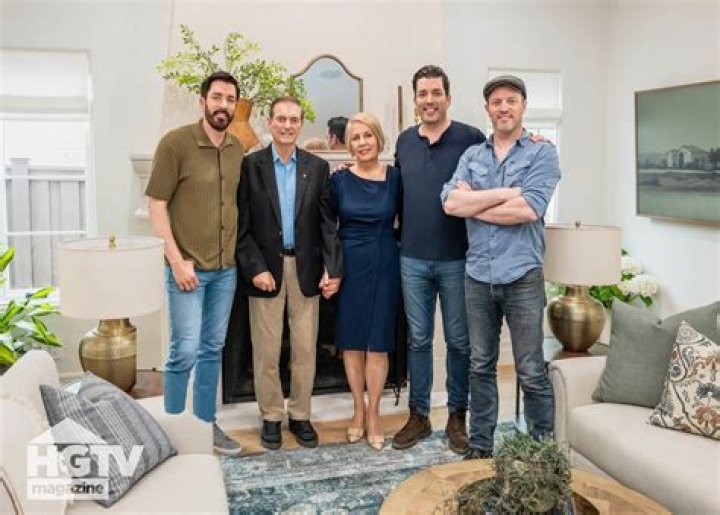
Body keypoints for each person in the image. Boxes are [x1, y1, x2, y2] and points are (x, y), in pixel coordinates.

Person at [442, 75, 561, 460]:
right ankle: (481, 447)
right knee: (480, 365)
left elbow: (529, 209)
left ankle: (541, 453)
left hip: (522, 275)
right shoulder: (472, 156)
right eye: (496, 102)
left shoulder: (542, 153)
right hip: (478, 275)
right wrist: (507, 193)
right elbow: (450, 203)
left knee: (530, 370)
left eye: (511, 100)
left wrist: (475, 203)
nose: (504, 107)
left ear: (523, 105)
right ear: (488, 109)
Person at [236, 96, 343, 450]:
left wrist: (333, 267)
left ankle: (300, 415)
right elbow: (241, 227)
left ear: (301, 124)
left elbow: (327, 224)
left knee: (305, 349)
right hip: (266, 270)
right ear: (269, 122)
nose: (286, 125)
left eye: (293, 119)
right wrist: (255, 268)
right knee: (266, 351)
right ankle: (270, 416)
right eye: (280, 119)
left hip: (306, 268)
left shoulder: (318, 167)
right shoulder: (250, 167)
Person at [146, 71, 244, 455]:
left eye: (230, 99)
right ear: (202, 101)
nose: (223, 105)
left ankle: (205, 426)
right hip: (186, 269)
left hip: (226, 270)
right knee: (184, 350)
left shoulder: (237, 149)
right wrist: (176, 260)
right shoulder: (175, 144)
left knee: (211, 349)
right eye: (217, 97)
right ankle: (171, 434)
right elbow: (156, 205)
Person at [391, 65, 485, 455]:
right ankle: (419, 415)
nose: (429, 100)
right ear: (415, 99)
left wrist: (530, 139)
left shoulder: (471, 138)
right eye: (422, 94)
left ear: (448, 97)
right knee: (418, 340)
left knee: (459, 342)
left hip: (458, 259)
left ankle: (457, 416)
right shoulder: (404, 141)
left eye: (436, 93)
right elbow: (393, 188)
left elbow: (499, 163)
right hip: (412, 258)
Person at [330, 113, 402, 451]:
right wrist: (331, 269)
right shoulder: (338, 180)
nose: (362, 143)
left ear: (378, 139)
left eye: (367, 136)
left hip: (386, 262)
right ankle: (357, 409)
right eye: (355, 138)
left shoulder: (396, 178)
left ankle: (374, 414)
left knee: (378, 343)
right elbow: (327, 229)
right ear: (348, 145)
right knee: (352, 343)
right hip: (350, 265)